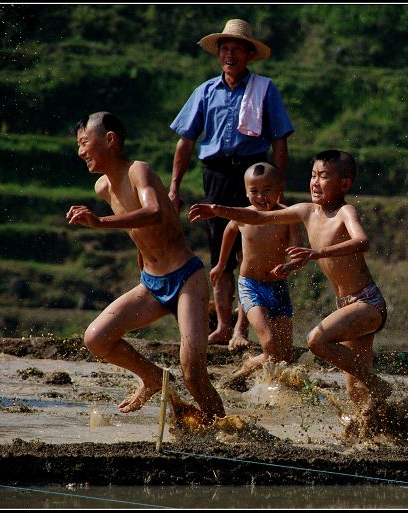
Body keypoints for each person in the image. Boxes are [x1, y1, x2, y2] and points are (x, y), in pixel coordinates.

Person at [188, 150, 393, 426]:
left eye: (323, 176)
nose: (315, 182)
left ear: (344, 184)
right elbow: (258, 218)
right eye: (313, 175)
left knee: (316, 341)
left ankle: (378, 384)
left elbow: (362, 241)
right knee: (355, 390)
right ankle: (383, 426)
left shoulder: (345, 211)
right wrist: (217, 209)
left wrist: (317, 253)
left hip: (367, 303)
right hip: (347, 306)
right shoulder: (305, 211)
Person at [67, 111, 225, 422]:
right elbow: (140, 234)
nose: (80, 151)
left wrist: (99, 222)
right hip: (152, 284)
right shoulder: (102, 188)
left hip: (186, 279)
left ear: (110, 140)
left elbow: (153, 211)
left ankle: (222, 428)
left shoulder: (139, 170)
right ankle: (153, 377)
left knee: (193, 371)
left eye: (85, 142)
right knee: (96, 338)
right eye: (78, 145)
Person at [169, 18, 295, 350]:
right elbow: (186, 141)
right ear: (218, 54)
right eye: (225, 48)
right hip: (217, 174)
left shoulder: (265, 89)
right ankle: (224, 324)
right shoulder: (205, 91)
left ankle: (241, 328)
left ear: (248, 55)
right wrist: (174, 186)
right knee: (219, 252)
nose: (230, 55)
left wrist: (277, 185)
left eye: (237, 49)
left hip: (254, 175)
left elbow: (280, 140)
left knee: (251, 251)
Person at [212, 162, 305, 390]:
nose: (261, 196)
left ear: (280, 188)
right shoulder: (244, 216)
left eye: (267, 190)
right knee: (271, 343)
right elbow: (229, 230)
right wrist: (221, 264)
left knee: (284, 355)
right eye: (254, 191)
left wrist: (290, 266)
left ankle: (249, 370)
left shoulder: (287, 217)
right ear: (246, 191)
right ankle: (256, 379)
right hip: (251, 286)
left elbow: (298, 252)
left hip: (278, 287)